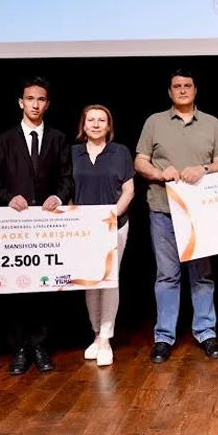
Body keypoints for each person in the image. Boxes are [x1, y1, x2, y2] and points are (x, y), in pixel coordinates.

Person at [134, 69, 218, 363]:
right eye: (177, 86)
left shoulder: (211, 123)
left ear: (195, 90)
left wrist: (203, 169)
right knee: (167, 276)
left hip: (200, 214)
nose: (183, 90)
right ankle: (164, 337)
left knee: (202, 276)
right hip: (163, 210)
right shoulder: (155, 122)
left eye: (188, 85)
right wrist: (159, 173)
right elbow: (140, 161)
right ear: (170, 92)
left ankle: (206, 332)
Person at [0, 77, 75, 375]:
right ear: (21, 102)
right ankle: (20, 349)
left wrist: (58, 196)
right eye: (30, 99)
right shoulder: (5, 139)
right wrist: (8, 198)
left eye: (41, 99)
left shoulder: (58, 138)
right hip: (15, 225)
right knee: (17, 286)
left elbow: (67, 178)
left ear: (47, 104)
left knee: (45, 287)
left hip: (48, 225)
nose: (35, 104)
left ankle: (40, 346)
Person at [69, 105, 135, 367]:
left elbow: (129, 191)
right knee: (90, 281)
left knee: (108, 281)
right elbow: (68, 190)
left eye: (101, 120)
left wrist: (111, 217)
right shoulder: (73, 153)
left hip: (114, 225)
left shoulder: (120, 152)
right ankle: (96, 334)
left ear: (109, 126)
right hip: (83, 228)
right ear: (83, 125)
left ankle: (106, 338)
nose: (96, 124)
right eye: (91, 120)